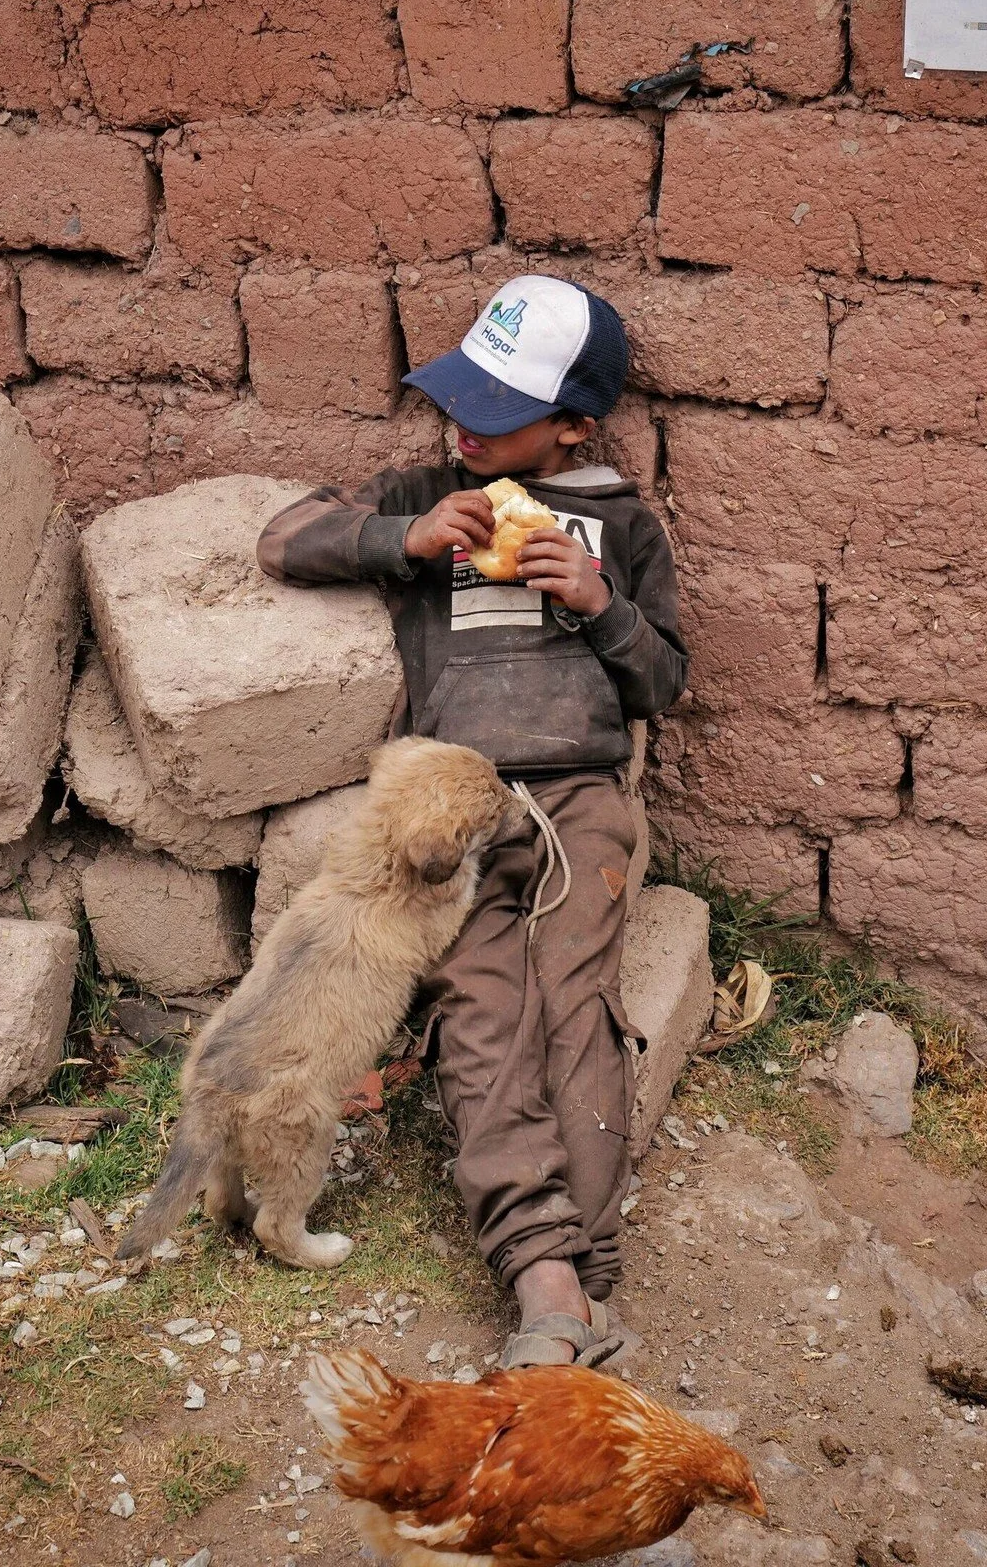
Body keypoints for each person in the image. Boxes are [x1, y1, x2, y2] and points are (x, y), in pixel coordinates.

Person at [257, 273, 688, 1368]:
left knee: (574, 1007)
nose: (464, 425)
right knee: (481, 1005)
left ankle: (580, 1281)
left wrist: (598, 604)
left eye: (497, 415)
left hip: (581, 804)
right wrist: (405, 539)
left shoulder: (622, 525)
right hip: (448, 806)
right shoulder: (425, 491)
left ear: (573, 428)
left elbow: (663, 683)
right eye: (460, 398)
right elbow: (285, 538)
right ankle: (543, 1274)